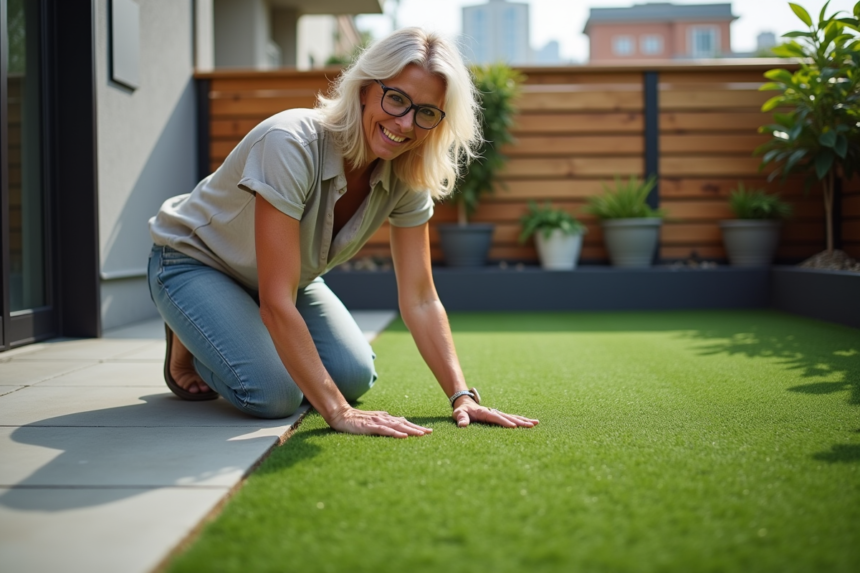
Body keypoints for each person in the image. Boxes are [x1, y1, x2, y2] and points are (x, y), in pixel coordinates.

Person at [147, 28, 538, 438]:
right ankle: (186, 334)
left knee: (353, 375)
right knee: (273, 394)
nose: (405, 124)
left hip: (275, 281)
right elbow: (277, 303)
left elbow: (421, 298)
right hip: (193, 262)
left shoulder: (407, 173)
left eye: (426, 112)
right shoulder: (290, 142)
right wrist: (337, 411)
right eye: (397, 98)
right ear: (366, 89)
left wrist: (462, 395)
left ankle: (228, 320)